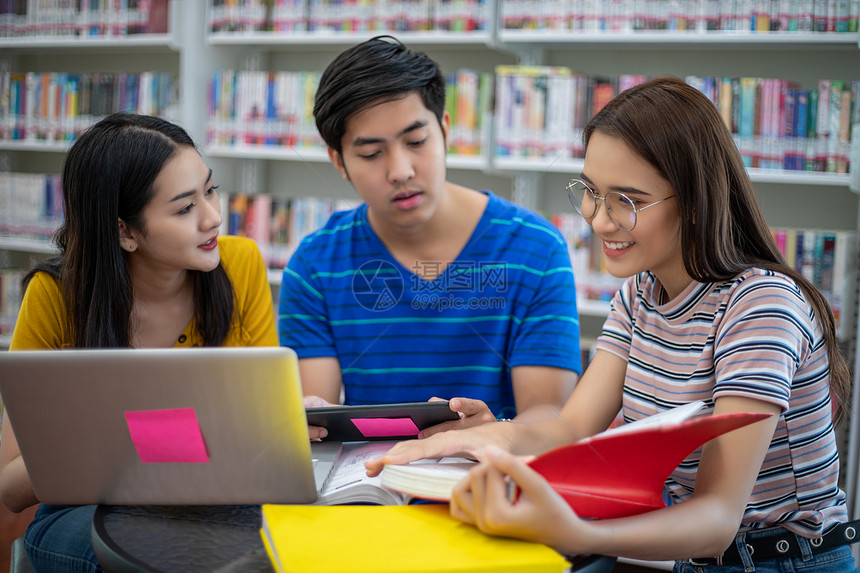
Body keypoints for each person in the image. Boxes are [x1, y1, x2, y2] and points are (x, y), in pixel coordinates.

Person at [367, 76, 857, 571]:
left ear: (693, 201)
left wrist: (576, 532)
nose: (599, 221)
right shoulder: (639, 296)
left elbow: (716, 519)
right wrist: (486, 437)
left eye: (627, 200)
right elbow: (569, 428)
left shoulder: (761, 305)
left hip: (787, 561)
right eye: (591, 193)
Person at [0, 113, 279, 572]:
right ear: (125, 231)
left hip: (217, 502)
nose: (213, 217)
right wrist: (122, 435)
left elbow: (262, 425)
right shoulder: (54, 297)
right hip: (89, 511)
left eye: (210, 190)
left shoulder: (241, 264)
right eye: (185, 208)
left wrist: (283, 419)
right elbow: (11, 489)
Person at [278, 35, 582, 436]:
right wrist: (305, 417)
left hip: (490, 480)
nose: (400, 170)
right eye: (371, 154)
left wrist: (494, 432)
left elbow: (550, 418)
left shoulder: (536, 248)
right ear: (338, 161)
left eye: (416, 141)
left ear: (445, 130)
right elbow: (321, 421)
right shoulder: (314, 265)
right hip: (368, 487)